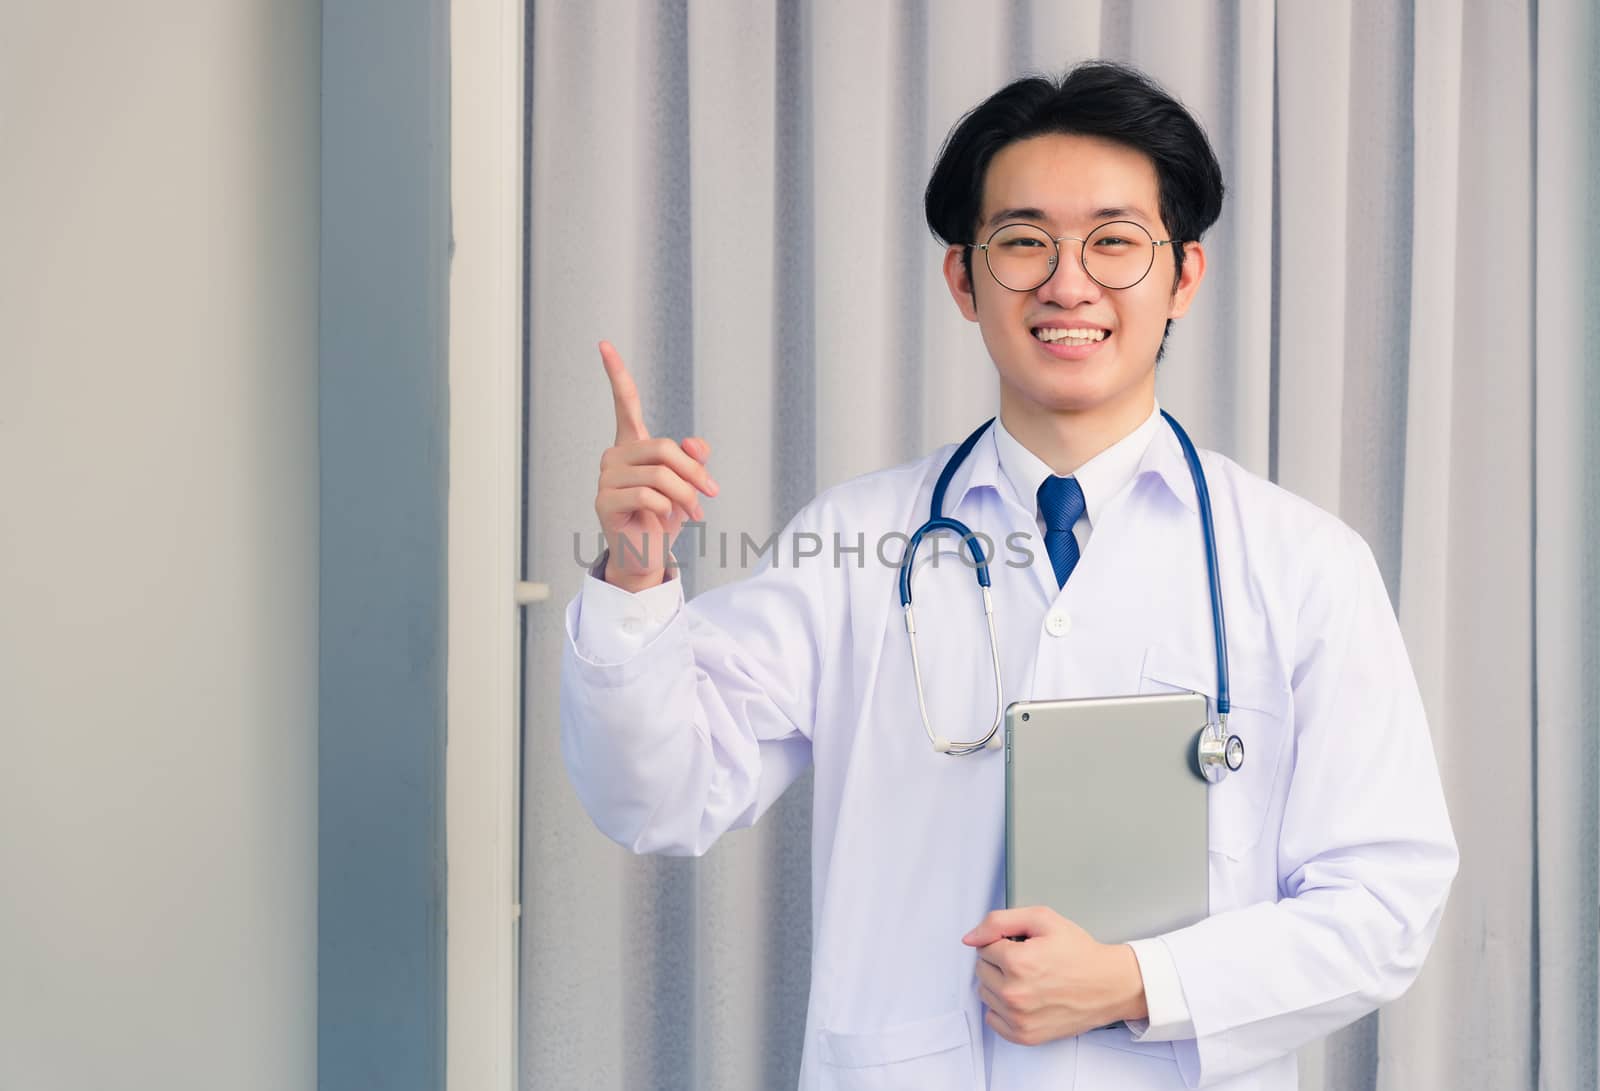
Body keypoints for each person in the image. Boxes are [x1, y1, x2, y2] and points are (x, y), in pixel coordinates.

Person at [560, 61, 1457, 1090]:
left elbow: (1383, 903)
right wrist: (636, 569)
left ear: (1184, 276)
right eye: (1023, 241)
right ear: (962, 279)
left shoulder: (1303, 564)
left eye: (1114, 242)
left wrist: (1135, 979)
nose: (1067, 283)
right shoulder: (854, 541)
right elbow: (657, 796)